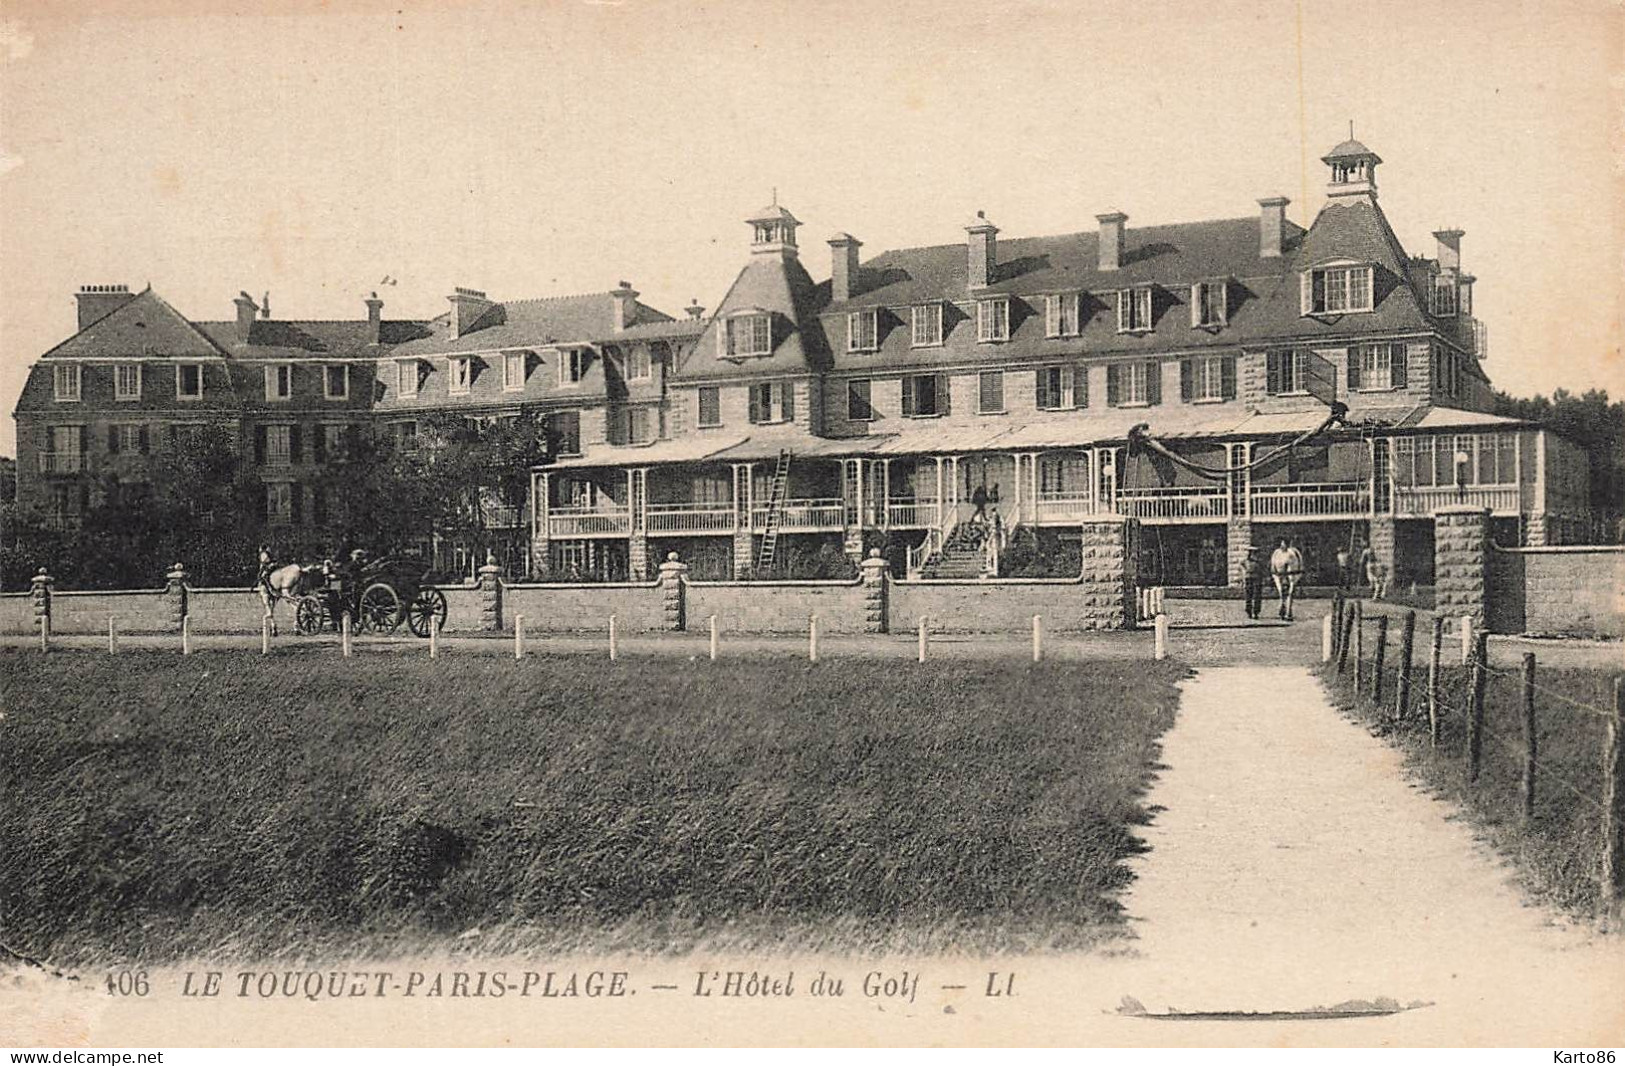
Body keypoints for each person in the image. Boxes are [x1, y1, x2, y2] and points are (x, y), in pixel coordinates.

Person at [1269, 536, 1304, 621]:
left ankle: (1289, 610)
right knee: (1282, 592)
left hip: (1290, 574)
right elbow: (1273, 567)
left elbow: (1298, 567)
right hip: (1279, 574)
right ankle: (1282, 606)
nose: (1283, 545)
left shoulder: (1293, 553)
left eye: (1284, 543)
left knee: (1290, 593)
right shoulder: (1276, 553)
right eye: (1282, 543)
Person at [1242, 545, 1264, 620]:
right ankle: (1249, 611)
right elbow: (1242, 566)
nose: (1252, 555)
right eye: (1251, 553)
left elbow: (1263, 569)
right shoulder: (1245, 561)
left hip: (1257, 579)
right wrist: (1244, 574)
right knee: (1248, 596)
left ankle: (1256, 612)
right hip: (1248, 578)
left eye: (1254, 553)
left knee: (1257, 595)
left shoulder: (1259, 561)